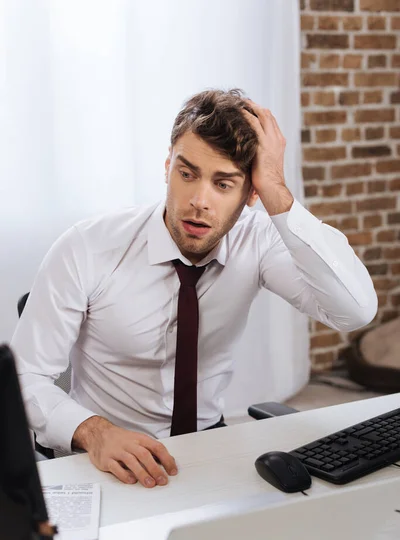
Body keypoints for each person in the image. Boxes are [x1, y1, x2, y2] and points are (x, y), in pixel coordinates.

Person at [11, 89, 377, 489]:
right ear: (168, 166)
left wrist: (276, 189)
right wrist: (94, 432)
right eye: (186, 174)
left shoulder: (256, 241)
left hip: (209, 452)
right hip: (102, 460)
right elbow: (25, 376)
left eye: (223, 184)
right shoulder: (87, 247)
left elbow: (354, 310)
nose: (199, 201)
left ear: (250, 193)